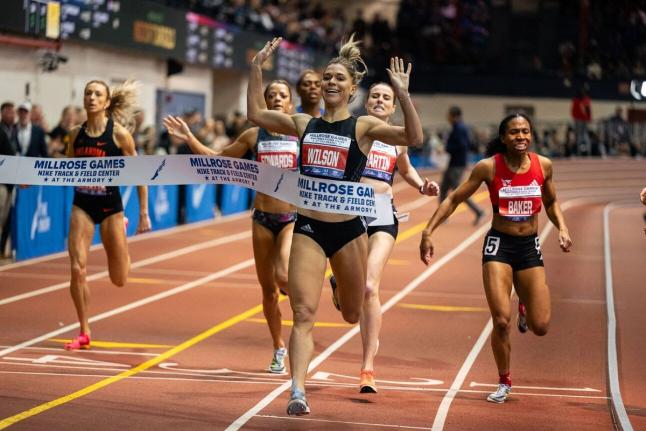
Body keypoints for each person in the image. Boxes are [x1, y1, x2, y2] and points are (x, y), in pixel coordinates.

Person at [247, 36, 424, 415]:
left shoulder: (363, 126)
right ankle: (297, 390)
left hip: (349, 232)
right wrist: (255, 68)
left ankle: (339, 288)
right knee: (303, 314)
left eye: (338, 78)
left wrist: (403, 96)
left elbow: (413, 137)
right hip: (309, 228)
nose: (330, 82)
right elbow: (256, 116)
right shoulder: (303, 122)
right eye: (327, 76)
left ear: (351, 88)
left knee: (352, 314)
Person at [419, 113, 572, 404]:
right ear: (503, 138)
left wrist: (562, 227)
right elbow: (453, 198)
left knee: (541, 326)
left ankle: (525, 301)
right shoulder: (488, 168)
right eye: (514, 132)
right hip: (499, 245)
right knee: (501, 320)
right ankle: (504, 381)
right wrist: (428, 231)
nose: (521, 137)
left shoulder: (544, 166)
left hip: (528, 246)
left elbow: (551, 201)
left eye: (526, 131)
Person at [163, 80, 299, 374]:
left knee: (283, 275)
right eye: (271, 95)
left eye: (282, 95)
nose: (276, 98)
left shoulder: (301, 134)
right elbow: (217, 160)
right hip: (262, 218)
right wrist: (189, 138)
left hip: (291, 218)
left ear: (291, 104)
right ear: (263, 104)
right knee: (268, 292)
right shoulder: (254, 135)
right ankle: (278, 347)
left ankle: (302, 310)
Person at [329, 82, 439, 393]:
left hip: (383, 214)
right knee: (354, 285)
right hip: (350, 212)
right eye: (375, 95)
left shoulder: (398, 140)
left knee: (368, 286)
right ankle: (339, 283)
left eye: (386, 98)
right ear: (367, 104)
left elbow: (405, 169)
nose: (379, 100)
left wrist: (422, 186)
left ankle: (367, 369)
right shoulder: (355, 132)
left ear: (393, 107)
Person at [64, 80, 151, 350]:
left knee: (119, 279)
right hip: (83, 205)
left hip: (111, 207)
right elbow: (62, 169)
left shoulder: (120, 135)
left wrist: (144, 213)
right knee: (77, 268)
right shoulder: (75, 135)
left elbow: (140, 174)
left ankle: (120, 234)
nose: (91, 98)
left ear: (106, 102)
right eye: (88, 93)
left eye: (97, 94)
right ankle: (84, 330)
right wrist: (30, 177)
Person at [440, 106, 484, 225]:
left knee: (458, 192)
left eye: (448, 115)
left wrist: (446, 148)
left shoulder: (460, 128)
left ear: (454, 116)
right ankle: (442, 216)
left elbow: (463, 146)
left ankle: (478, 211)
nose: (447, 117)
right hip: (453, 164)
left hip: (457, 165)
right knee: (443, 189)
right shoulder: (458, 127)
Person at [571, 86, 592, 156]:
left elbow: (588, 110)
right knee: (582, 135)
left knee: (582, 135)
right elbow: (574, 110)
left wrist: (588, 118)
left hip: (581, 119)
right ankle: (583, 152)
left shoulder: (584, 100)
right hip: (580, 119)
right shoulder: (580, 100)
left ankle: (583, 152)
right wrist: (588, 118)